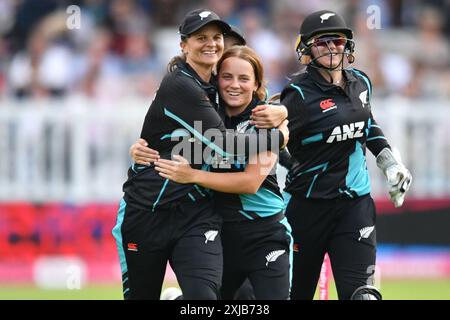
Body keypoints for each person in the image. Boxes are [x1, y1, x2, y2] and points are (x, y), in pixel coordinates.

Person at [112, 9, 288, 300]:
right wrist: (279, 136)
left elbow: (265, 102)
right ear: (183, 45)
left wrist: (283, 114)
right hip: (146, 212)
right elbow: (225, 144)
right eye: (201, 38)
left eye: (217, 37)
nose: (212, 44)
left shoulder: (219, 87)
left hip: (196, 213)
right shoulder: (180, 84)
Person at [280, 10, 412, 300]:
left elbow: (367, 125)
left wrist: (389, 163)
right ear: (306, 48)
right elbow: (276, 144)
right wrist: (294, 164)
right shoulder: (297, 96)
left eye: (337, 41)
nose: (330, 48)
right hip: (306, 208)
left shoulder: (361, 82)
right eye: (321, 42)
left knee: (362, 296)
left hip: (355, 206)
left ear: (347, 45)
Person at [154, 46, 292, 300]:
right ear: (216, 79)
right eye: (227, 77)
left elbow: (251, 182)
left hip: (265, 233)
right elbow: (161, 137)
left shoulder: (266, 119)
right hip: (218, 232)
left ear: (257, 83)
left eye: (244, 78)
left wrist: (193, 176)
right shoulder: (204, 116)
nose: (234, 85)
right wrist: (139, 149)